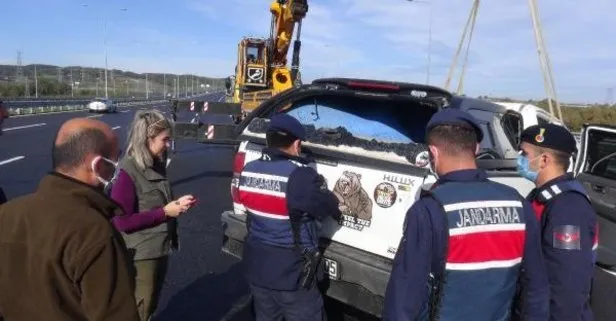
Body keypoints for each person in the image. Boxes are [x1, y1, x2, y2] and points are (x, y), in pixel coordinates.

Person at [382, 108, 549, 321]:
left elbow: (404, 300)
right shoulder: (518, 204)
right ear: (477, 148)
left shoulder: (429, 210)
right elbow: (535, 290)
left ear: (433, 153)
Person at [0, 118, 139, 321]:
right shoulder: (95, 231)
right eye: (116, 159)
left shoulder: (7, 213)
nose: (118, 167)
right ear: (98, 165)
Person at [239, 113, 341, 321]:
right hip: (291, 275)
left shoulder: (248, 171)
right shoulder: (299, 176)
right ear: (296, 144)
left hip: (258, 269)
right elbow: (327, 206)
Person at [109, 109, 196, 321]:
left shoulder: (155, 164)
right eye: (165, 140)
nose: (168, 145)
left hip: (159, 247)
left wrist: (175, 206)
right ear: (148, 138)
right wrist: (165, 212)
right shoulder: (128, 172)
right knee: (140, 306)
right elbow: (121, 222)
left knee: (151, 303)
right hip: (141, 254)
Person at [516, 124, 598, 321]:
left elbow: (566, 285)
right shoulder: (542, 196)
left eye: (524, 154)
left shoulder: (567, 207)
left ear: (544, 160)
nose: (519, 158)